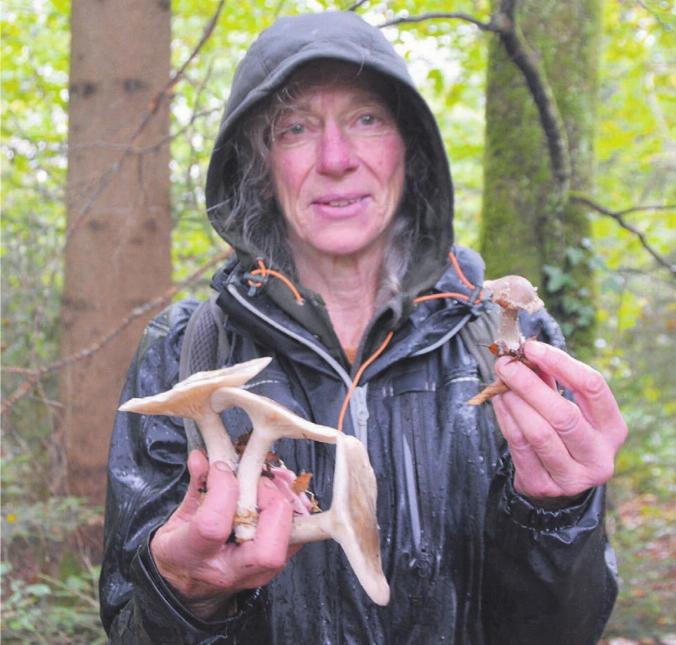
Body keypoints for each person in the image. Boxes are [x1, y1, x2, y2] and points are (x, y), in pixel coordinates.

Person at [100, 11, 627, 644]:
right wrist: (187, 596)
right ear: (260, 164)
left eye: (366, 119)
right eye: (295, 128)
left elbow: (563, 630)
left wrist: (559, 515)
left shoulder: (508, 345)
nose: (335, 158)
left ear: (410, 145)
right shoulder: (185, 351)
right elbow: (131, 626)